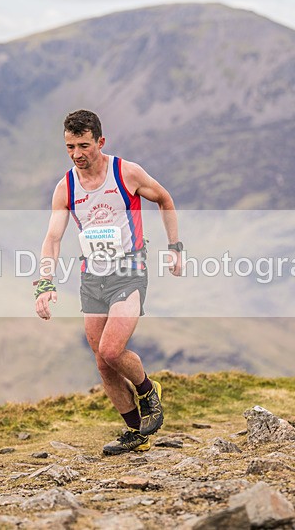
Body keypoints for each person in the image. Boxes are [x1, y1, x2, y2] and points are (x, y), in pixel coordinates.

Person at [35, 109, 183, 455]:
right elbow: (53, 237)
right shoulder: (66, 187)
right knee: (102, 361)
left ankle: (148, 391)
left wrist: (175, 247)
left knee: (112, 349)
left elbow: (164, 199)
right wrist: (45, 283)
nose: (77, 154)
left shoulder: (125, 173)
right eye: (70, 147)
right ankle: (136, 433)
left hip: (129, 270)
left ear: (100, 142)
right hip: (92, 277)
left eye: (84, 145)